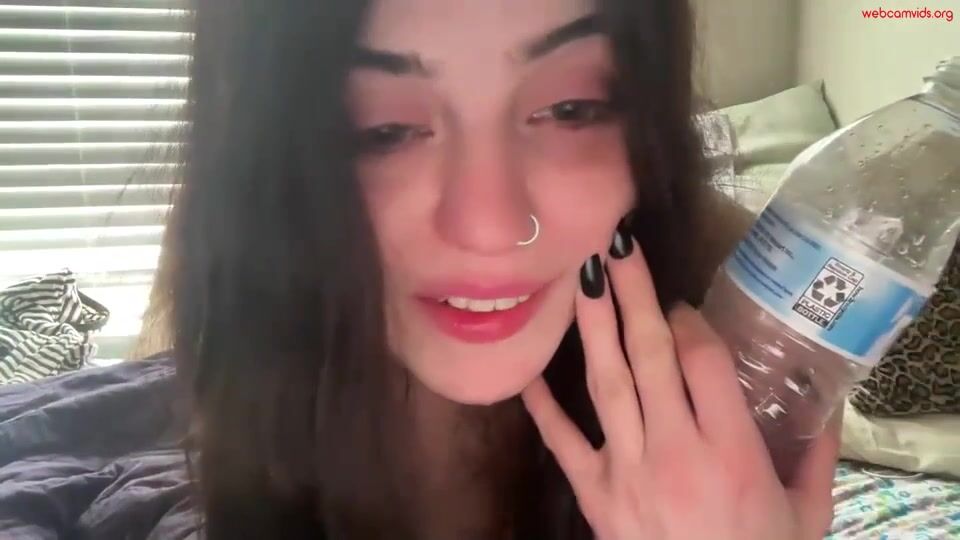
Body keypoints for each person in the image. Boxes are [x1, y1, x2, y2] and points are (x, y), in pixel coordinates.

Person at [141, 0, 841, 538]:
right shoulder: (238, 386)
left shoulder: (736, 365)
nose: (491, 227)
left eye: (571, 108)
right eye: (383, 130)